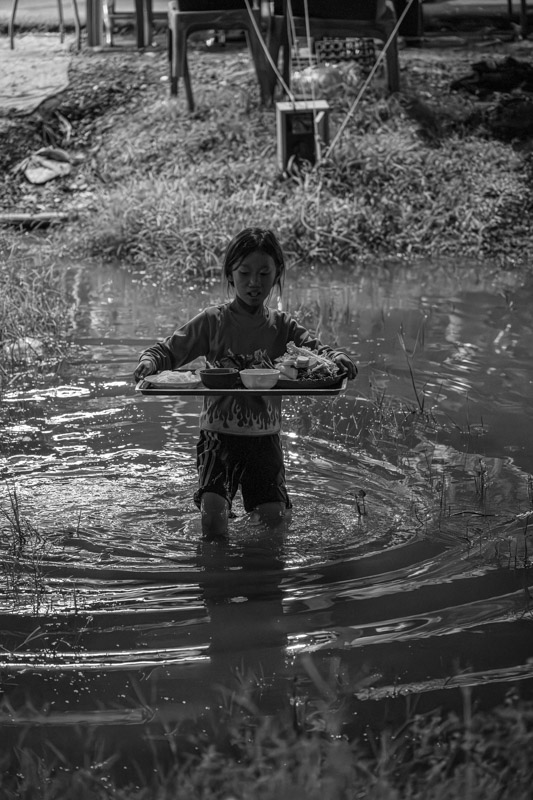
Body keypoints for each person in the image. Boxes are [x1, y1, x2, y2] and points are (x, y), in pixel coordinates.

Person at [134, 227, 357, 538]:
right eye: (244, 273)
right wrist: (149, 362)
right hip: (217, 435)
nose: (254, 282)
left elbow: (318, 352)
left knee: (273, 521)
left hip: (264, 438)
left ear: (277, 275)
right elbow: (168, 351)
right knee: (213, 519)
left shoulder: (282, 326)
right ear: (230, 274)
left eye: (264, 274)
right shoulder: (213, 321)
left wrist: (337, 358)